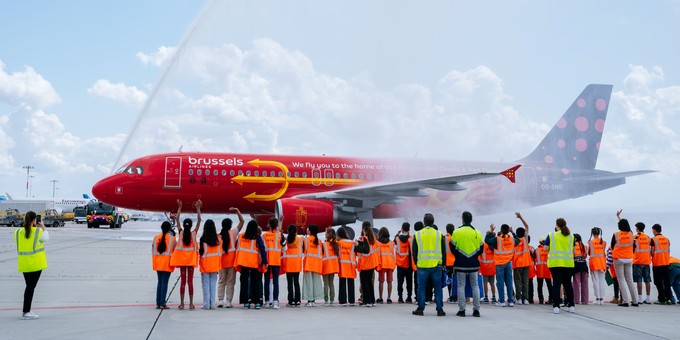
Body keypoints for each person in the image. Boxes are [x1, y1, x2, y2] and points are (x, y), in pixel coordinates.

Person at [15, 211, 48, 320]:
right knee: (30, 288)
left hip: (24, 264)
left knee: (29, 287)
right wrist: (43, 226)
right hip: (35, 265)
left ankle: (27, 310)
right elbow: (46, 238)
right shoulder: (38, 231)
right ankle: (26, 312)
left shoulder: (18, 232)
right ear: (35, 220)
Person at [411, 213, 446, 316]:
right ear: (433, 222)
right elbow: (443, 251)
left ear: (424, 222)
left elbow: (414, 252)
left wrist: (416, 263)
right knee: (438, 288)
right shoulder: (439, 234)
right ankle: (440, 309)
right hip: (436, 265)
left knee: (421, 288)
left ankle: (420, 309)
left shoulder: (417, 234)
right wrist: (443, 263)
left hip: (422, 265)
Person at [170, 199, 202, 310]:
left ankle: (182, 303)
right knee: (190, 282)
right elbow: (199, 221)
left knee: (183, 282)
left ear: (184, 225)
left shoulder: (181, 233)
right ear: (191, 225)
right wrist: (198, 208)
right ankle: (191, 304)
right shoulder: (194, 233)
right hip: (191, 261)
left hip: (182, 262)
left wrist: (180, 207)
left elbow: (177, 220)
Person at [450, 211, 483, 317]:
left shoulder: (457, 232)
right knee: (475, 285)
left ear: (462, 219)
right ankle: (476, 310)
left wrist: (459, 256)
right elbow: (481, 249)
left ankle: (462, 310)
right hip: (474, 263)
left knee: (461, 285)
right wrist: (474, 255)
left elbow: (452, 247)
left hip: (460, 263)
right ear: (471, 220)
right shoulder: (477, 232)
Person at [235, 220, 268, 309]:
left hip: (243, 262)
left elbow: (236, 245)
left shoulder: (241, 236)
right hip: (254, 263)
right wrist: (265, 261)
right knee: (256, 282)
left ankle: (246, 302)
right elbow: (262, 249)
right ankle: (257, 302)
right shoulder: (257, 237)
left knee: (244, 283)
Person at [545, 218, 575, 314]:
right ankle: (571, 305)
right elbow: (574, 251)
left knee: (556, 284)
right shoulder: (571, 236)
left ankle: (556, 306)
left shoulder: (551, 235)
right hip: (568, 264)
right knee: (568, 285)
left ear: (556, 225)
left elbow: (545, 248)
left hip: (556, 263)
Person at [485, 223, 519, 307]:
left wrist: (490, 231)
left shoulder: (497, 239)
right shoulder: (512, 239)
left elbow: (487, 240)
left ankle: (501, 300)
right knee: (509, 282)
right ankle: (511, 301)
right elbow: (517, 240)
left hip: (500, 263)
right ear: (508, 231)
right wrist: (513, 232)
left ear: (500, 230)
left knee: (500, 282)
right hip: (508, 263)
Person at [622, 212, 652, 304]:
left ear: (637, 228)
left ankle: (639, 298)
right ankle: (648, 298)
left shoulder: (635, 237)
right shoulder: (648, 237)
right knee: (647, 280)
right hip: (647, 261)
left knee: (639, 280)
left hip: (638, 260)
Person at [216, 207, 244, 308]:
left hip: (221, 262)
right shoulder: (233, 233)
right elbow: (242, 221)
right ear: (230, 225)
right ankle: (228, 301)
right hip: (231, 262)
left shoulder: (218, 236)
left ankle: (220, 300)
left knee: (221, 281)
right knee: (230, 282)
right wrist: (237, 211)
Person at [611, 215, 638, 307]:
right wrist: (619, 217)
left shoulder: (616, 235)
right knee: (629, 280)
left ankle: (625, 301)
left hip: (618, 259)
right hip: (629, 258)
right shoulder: (631, 234)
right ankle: (635, 301)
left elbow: (612, 246)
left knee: (621, 280)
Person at [199, 219, 222, 309]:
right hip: (215, 264)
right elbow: (220, 252)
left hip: (205, 265)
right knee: (213, 285)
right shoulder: (218, 239)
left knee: (205, 286)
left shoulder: (203, 239)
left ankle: (206, 304)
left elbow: (201, 252)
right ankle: (212, 304)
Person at [356, 221, 380, 307]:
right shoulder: (373, 238)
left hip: (365, 264)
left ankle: (366, 301)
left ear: (363, 228)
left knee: (364, 283)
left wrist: (357, 246)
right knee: (369, 283)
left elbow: (365, 250)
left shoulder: (365, 238)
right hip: (372, 263)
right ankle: (372, 300)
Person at [152, 221, 175, 309]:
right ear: (170, 229)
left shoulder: (156, 237)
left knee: (160, 282)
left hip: (158, 263)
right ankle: (162, 303)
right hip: (167, 263)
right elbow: (175, 250)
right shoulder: (172, 239)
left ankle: (158, 303)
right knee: (164, 283)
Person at [262, 217, 284, 309]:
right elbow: (284, 247)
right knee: (276, 282)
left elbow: (263, 249)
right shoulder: (280, 235)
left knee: (266, 282)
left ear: (269, 225)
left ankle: (267, 301)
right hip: (276, 261)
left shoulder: (265, 235)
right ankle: (275, 301)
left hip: (267, 261)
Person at [302, 224, 325, 306]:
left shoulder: (306, 240)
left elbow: (302, 250)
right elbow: (322, 253)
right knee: (316, 282)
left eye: (308, 229)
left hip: (308, 264)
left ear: (310, 231)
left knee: (309, 283)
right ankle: (314, 299)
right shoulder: (320, 242)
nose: (307, 231)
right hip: (317, 264)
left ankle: (310, 300)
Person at [650, 224, 672, 304]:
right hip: (666, 263)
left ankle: (661, 299)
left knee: (658, 282)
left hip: (657, 263)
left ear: (654, 230)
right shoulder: (667, 239)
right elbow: (668, 251)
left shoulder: (653, 240)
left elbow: (652, 251)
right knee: (667, 282)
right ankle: (669, 299)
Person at [282, 224, 303, 307]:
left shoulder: (286, 240)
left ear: (288, 231)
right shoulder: (299, 239)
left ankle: (291, 301)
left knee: (290, 284)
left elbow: (283, 249)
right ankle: (298, 300)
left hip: (288, 264)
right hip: (296, 264)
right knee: (296, 283)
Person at [513, 212, 532, 305]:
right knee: (525, 282)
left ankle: (519, 298)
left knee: (517, 282)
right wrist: (520, 217)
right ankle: (526, 299)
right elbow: (527, 226)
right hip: (526, 263)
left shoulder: (514, 241)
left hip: (517, 264)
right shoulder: (525, 240)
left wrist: (511, 232)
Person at [337, 227, 357, 306]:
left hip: (343, 264)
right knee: (351, 283)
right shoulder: (352, 243)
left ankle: (342, 301)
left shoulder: (340, 243)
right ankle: (351, 301)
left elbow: (338, 254)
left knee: (342, 283)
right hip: (351, 264)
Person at [394, 222, 414, 304]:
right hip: (409, 264)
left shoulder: (397, 239)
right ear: (409, 229)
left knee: (400, 281)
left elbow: (393, 241)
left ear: (402, 229)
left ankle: (400, 297)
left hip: (400, 264)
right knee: (409, 282)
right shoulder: (411, 238)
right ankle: (409, 297)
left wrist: (397, 234)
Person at [587, 227, 607, 305]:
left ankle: (597, 298)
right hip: (602, 263)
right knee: (602, 281)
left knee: (595, 281)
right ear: (599, 233)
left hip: (594, 263)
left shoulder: (590, 242)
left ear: (592, 234)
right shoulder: (604, 242)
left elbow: (589, 253)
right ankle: (602, 299)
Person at [377, 227, 396, 304]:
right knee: (389, 281)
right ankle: (389, 298)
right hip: (390, 264)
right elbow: (393, 254)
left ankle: (380, 298)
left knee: (381, 281)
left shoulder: (378, 243)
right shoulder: (391, 243)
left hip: (382, 264)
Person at [322, 227, 340, 306]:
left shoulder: (324, 244)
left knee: (326, 284)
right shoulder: (336, 244)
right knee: (331, 283)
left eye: (326, 232)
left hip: (326, 265)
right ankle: (332, 300)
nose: (325, 234)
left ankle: (326, 300)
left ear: (328, 234)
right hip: (333, 266)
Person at [535, 238, 553, 305]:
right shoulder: (549, 250)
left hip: (540, 270)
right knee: (549, 285)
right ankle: (551, 299)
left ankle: (541, 299)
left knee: (540, 286)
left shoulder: (536, 250)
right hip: (548, 270)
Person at [572, 233, 589, 304]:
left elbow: (572, 256)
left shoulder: (572, 246)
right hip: (584, 265)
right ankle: (585, 300)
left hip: (576, 265)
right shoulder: (584, 246)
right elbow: (585, 256)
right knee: (585, 284)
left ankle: (576, 300)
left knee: (576, 284)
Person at [479, 239, 497, 304]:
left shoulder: (483, 245)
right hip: (492, 267)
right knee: (492, 283)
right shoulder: (493, 246)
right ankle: (494, 297)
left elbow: (479, 256)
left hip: (484, 267)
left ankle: (486, 297)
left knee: (485, 283)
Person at [444, 223, 456, 303]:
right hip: (455, 262)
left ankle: (451, 297)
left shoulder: (445, 238)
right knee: (455, 280)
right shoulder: (455, 238)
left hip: (448, 263)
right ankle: (455, 297)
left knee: (449, 281)